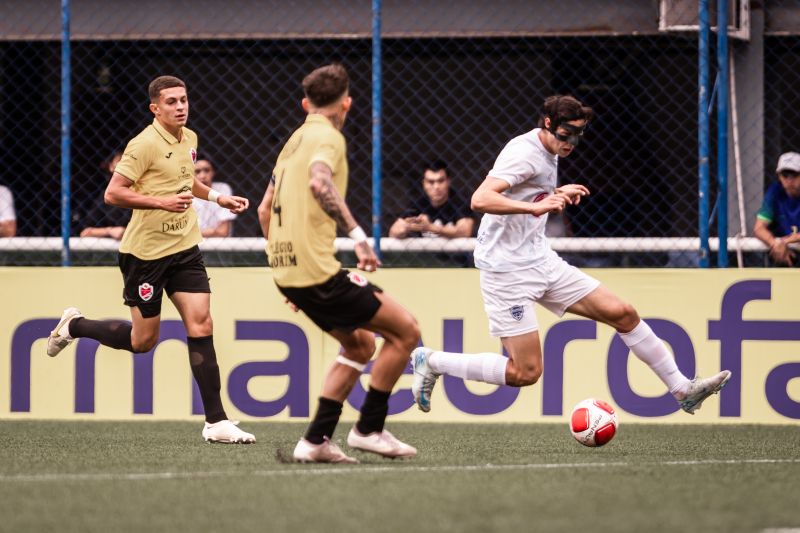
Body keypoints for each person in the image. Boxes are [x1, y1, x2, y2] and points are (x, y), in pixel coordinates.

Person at [410, 95, 732, 417]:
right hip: (506, 271)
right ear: (547, 124)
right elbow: (480, 199)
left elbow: (523, 190)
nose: (571, 143)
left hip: (540, 259)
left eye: (578, 135)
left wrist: (554, 194)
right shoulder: (524, 152)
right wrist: (535, 206)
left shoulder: (551, 150)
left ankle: (682, 390)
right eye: (566, 135)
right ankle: (433, 362)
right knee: (526, 372)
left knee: (623, 313)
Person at [47, 75, 255, 444]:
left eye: (184, 99)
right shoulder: (142, 145)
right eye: (172, 102)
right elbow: (114, 194)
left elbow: (186, 180)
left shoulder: (189, 138)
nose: (180, 106)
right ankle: (75, 325)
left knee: (202, 323)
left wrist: (217, 199)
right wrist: (161, 202)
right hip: (145, 255)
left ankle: (216, 421)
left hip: (185, 248)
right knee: (143, 342)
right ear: (155, 109)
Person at [257, 63, 420, 463]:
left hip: (288, 270)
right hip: (317, 272)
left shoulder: (292, 141)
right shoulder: (328, 137)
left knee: (361, 343)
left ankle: (314, 442)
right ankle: (369, 430)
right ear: (346, 104)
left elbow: (264, 210)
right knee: (406, 332)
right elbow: (320, 181)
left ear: (305, 103)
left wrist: (287, 269)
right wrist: (358, 236)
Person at [388, 160, 474, 239]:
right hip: (427, 255)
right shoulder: (418, 204)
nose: (436, 187)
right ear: (424, 184)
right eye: (431, 182)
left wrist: (430, 227)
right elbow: (393, 233)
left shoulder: (459, 201)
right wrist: (406, 226)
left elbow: (465, 231)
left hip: (456, 255)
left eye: (440, 181)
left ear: (448, 181)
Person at [753, 151, 800, 266]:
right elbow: (759, 228)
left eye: (794, 175)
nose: (789, 180)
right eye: (785, 175)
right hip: (783, 252)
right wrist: (774, 243)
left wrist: (784, 241)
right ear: (779, 176)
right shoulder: (775, 191)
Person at [79, 151, 131, 239]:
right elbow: (85, 232)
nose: (125, 167)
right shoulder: (105, 196)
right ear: (111, 167)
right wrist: (110, 231)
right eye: (120, 161)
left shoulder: (145, 193)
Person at [192, 154, 237, 237]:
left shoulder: (222, 189)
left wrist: (191, 234)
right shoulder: (185, 193)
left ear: (213, 172)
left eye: (206, 170)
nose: (202, 176)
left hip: (218, 245)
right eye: (197, 171)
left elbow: (223, 231)